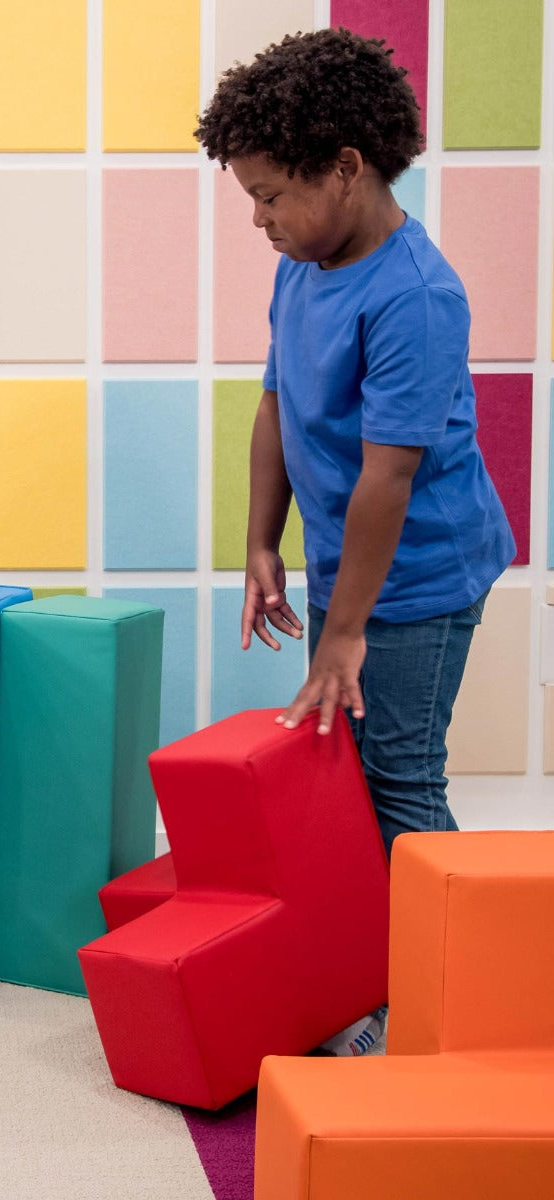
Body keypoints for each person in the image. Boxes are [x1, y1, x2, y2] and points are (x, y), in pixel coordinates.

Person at [194, 28, 515, 1054]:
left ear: (346, 167)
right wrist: (260, 542)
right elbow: (277, 401)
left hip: (415, 581)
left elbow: (389, 476)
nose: (258, 219)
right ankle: (375, 980)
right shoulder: (306, 261)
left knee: (400, 783)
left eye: (272, 194)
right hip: (351, 575)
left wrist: (345, 633)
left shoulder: (415, 295)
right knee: (349, 780)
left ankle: (458, 1008)